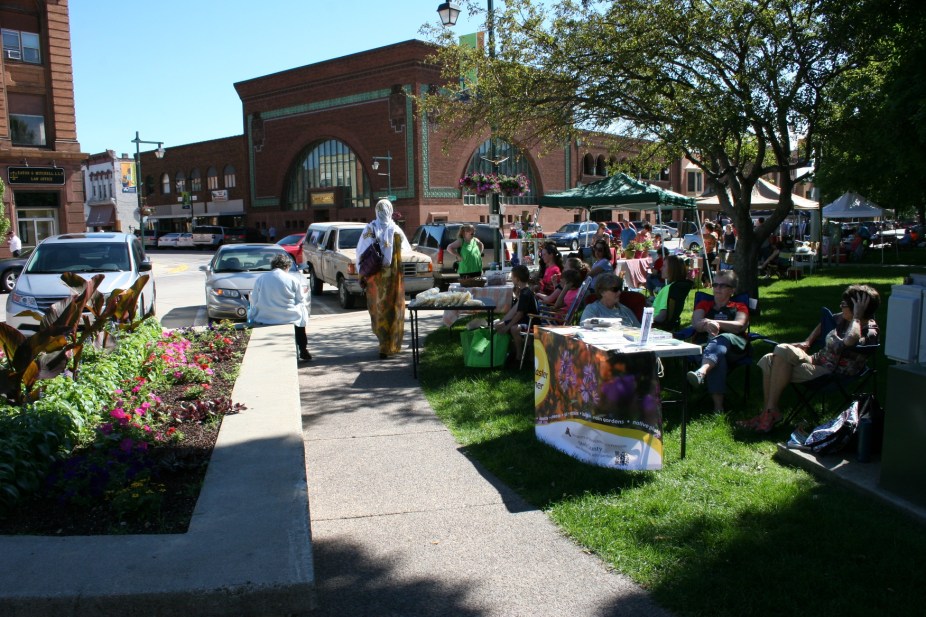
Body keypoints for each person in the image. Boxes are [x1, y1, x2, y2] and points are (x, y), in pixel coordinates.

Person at [741, 284, 881, 432]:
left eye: (844, 305)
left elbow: (850, 340)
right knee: (779, 351)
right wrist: (808, 341)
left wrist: (857, 317)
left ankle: (767, 413)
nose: (841, 307)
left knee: (771, 360)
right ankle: (769, 413)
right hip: (816, 360)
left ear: (856, 309)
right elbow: (824, 323)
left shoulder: (868, 330)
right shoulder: (844, 318)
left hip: (831, 374)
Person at [685, 270, 749, 414]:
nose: (717, 288)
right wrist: (706, 325)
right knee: (718, 359)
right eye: (715, 285)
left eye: (722, 285)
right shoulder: (704, 304)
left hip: (734, 347)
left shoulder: (739, 306)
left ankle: (701, 371)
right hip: (706, 347)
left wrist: (714, 323)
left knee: (721, 339)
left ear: (732, 290)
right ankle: (718, 408)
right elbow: (696, 323)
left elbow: (739, 326)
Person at [356, 199, 408, 359]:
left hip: (375, 279)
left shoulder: (369, 229)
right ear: (391, 211)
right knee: (393, 308)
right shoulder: (396, 230)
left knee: (378, 309)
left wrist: (361, 274)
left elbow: (361, 252)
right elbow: (408, 250)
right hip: (393, 279)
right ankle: (391, 344)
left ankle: (383, 344)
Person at [248, 254, 312, 361]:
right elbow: (301, 299)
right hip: (289, 317)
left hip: (265, 317)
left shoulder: (261, 279)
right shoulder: (292, 279)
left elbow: (254, 300)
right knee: (301, 314)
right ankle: (303, 349)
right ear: (287, 266)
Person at [494, 264, 537, 365]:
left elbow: (519, 315)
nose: (511, 279)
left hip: (530, 322)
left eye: (512, 277)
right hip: (525, 320)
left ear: (517, 279)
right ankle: (509, 352)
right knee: (498, 326)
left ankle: (519, 356)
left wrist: (507, 326)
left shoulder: (525, 294)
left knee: (513, 328)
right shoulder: (523, 291)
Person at [651, 255, 688, 325]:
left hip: (655, 325)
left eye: (664, 266)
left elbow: (662, 316)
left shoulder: (668, 289)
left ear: (672, 269)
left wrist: (646, 322)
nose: (661, 269)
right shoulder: (677, 287)